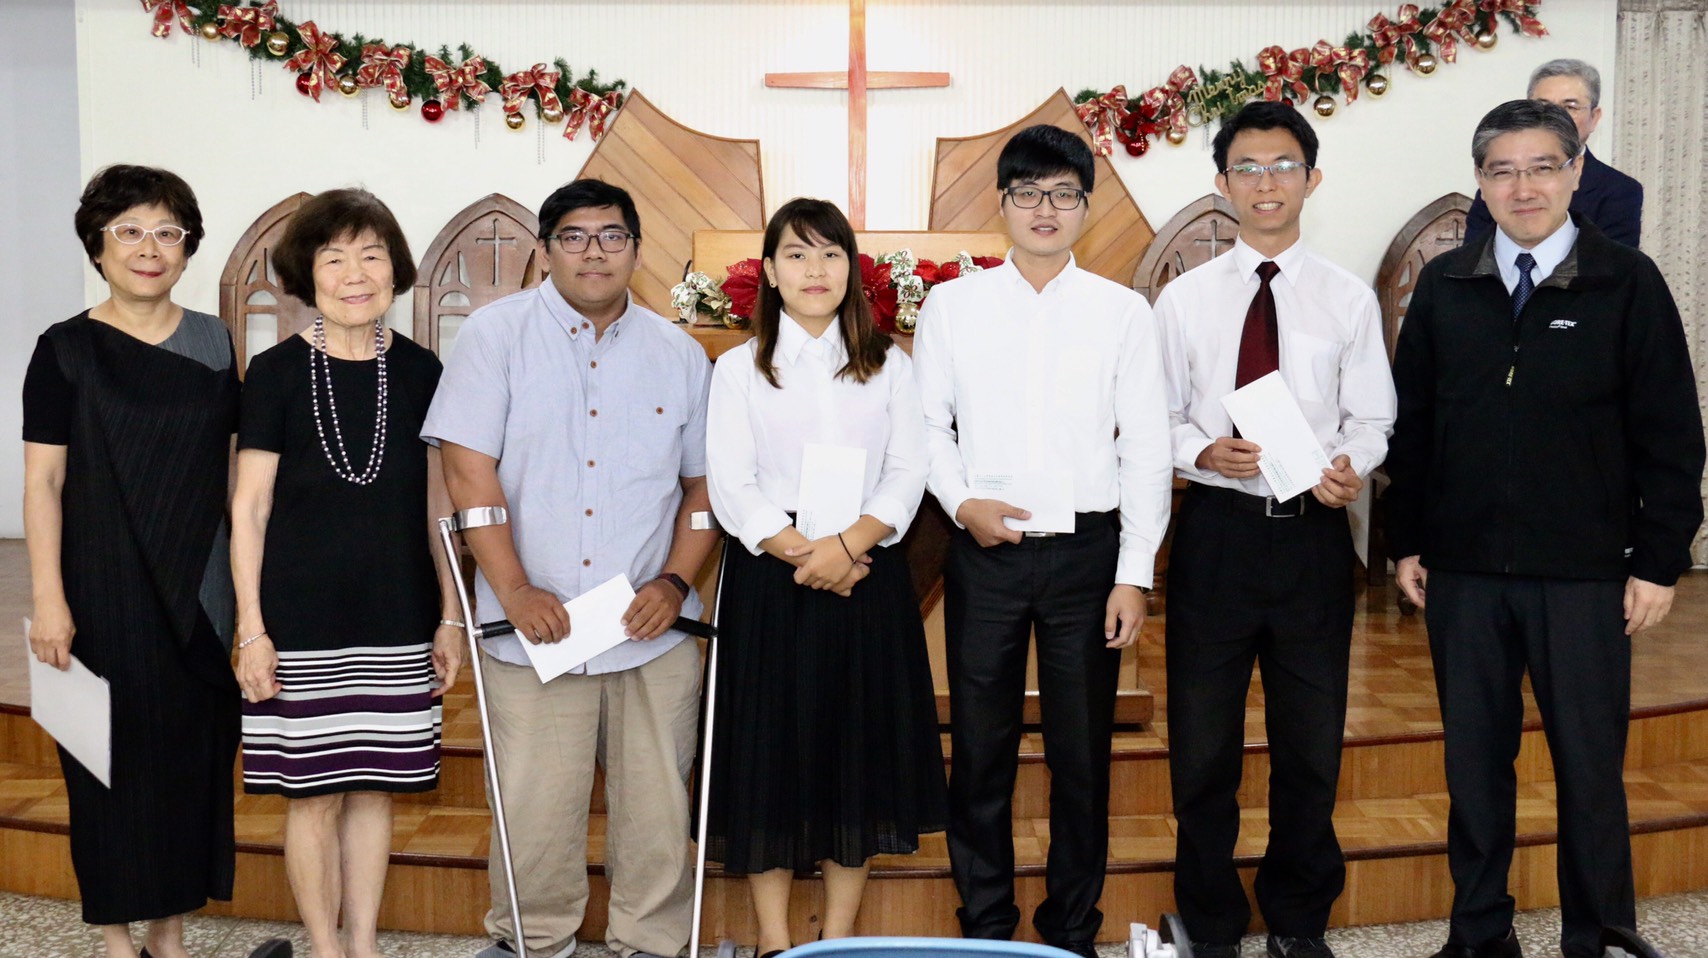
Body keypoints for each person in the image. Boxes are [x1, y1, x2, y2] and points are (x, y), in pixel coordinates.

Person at [1387, 99, 1704, 958]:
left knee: (1590, 769)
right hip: (1464, 574)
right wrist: (1405, 539)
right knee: (1473, 769)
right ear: (1480, 183)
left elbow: (1673, 435)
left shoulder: (1626, 281)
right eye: (1503, 171)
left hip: (1585, 574)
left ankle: (1597, 936)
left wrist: (1659, 561)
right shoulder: (1446, 286)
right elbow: (1413, 427)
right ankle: (1478, 935)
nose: (1522, 186)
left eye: (1541, 167)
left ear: (1574, 172)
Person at [422, 178, 718, 958]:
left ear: (637, 250)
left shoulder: (679, 355)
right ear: (546, 249)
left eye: (612, 236)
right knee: (535, 809)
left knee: (658, 807)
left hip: (651, 630)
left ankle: (651, 942)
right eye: (575, 236)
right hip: (533, 628)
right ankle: (532, 941)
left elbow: (702, 491)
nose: (595, 252)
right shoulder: (495, 336)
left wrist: (675, 582)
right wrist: (514, 587)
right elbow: (469, 474)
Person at [911, 124, 1173, 953]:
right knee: (980, 751)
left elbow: (1148, 445)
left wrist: (1134, 572)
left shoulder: (1121, 313)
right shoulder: (954, 306)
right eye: (1028, 193)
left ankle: (1070, 932)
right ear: (1003, 204)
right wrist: (961, 504)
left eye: (1063, 193)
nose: (1045, 208)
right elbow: (925, 426)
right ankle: (986, 926)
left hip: (1086, 558)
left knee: (1081, 756)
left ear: (1086, 206)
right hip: (985, 554)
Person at [1153, 101, 1396, 958]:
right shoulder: (1183, 300)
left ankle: (1297, 919)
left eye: (1283, 165)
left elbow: (1373, 417)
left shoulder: (1346, 298)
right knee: (1202, 746)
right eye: (1248, 167)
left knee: (1309, 744)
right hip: (1216, 534)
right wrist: (1200, 451)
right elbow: (1156, 418)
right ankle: (1209, 921)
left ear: (1312, 179)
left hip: (1311, 536)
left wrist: (1351, 464)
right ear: (1223, 184)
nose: (1266, 182)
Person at [703, 198, 949, 954]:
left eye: (831, 253)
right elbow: (731, 483)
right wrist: (807, 554)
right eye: (797, 254)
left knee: (857, 758)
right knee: (768, 759)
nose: (816, 269)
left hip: (868, 573)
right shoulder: (739, 369)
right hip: (770, 580)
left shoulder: (889, 365)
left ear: (852, 270)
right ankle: (775, 942)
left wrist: (849, 546)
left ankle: (836, 941)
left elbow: (909, 469)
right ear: (770, 272)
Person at [230, 188, 464, 958]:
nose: (355, 274)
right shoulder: (274, 372)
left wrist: (449, 615)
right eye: (334, 258)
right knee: (312, 796)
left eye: (371, 255)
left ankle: (362, 944)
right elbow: (249, 508)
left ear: (395, 269)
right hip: (298, 619)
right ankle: (325, 948)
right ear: (308, 274)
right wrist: (251, 628)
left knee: (376, 788)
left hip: (397, 611)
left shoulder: (424, 370)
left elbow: (438, 505)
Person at [23, 165, 240, 958]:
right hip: (100, 588)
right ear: (98, 245)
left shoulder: (214, 340)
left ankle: (167, 934)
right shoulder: (63, 349)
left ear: (187, 248)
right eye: (130, 231)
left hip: (200, 589)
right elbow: (43, 483)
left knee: (190, 762)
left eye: (167, 233)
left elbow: (232, 473)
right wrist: (50, 599)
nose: (150, 248)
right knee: (104, 763)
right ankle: (118, 938)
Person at [1464, 58, 1642, 248]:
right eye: (1543, 106)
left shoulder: (1619, 189)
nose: (1556, 117)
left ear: (1594, 117)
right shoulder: (1500, 182)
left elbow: (1614, 262)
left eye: (1570, 107)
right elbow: (1473, 256)